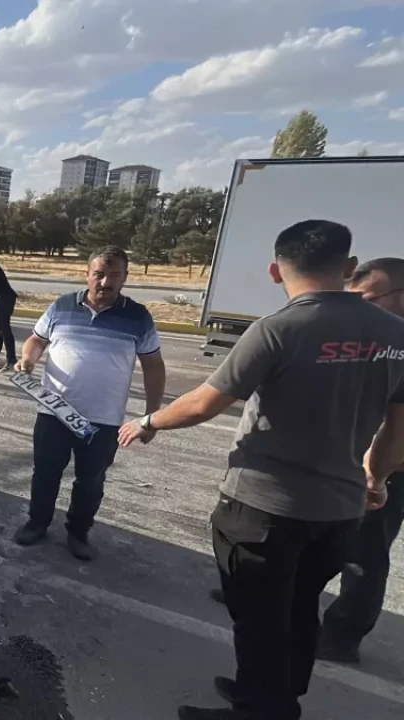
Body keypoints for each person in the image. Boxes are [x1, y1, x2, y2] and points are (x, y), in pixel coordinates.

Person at [116, 222, 404, 720]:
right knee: (298, 608)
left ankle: (261, 709)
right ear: (349, 267)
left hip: (263, 509)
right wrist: (375, 477)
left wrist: (147, 420)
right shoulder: (396, 335)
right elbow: (398, 427)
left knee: (259, 619)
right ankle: (277, 694)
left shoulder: (280, 329)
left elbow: (205, 403)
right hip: (338, 513)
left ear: (276, 271)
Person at [12, 246, 166, 561]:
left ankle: (78, 533)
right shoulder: (61, 306)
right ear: (87, 274)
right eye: (99, 274)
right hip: (54, 410)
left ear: (125, 278)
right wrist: (28, 359)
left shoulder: (138, 318)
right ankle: (37, 523)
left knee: (91, 481)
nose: (105, 282)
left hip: (103, 420)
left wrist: (152, 416)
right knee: (45, 472)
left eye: (114, 275)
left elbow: (153, 366)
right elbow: (37, 339)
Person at [316, 257, 404, 665]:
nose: (357, 308)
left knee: (363, 552)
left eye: (368, 299)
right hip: (350, 456)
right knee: (313, 531)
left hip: (386, 468)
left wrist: (377, 475)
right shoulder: (378, 338)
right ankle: (270, 596)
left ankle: (343, 634)